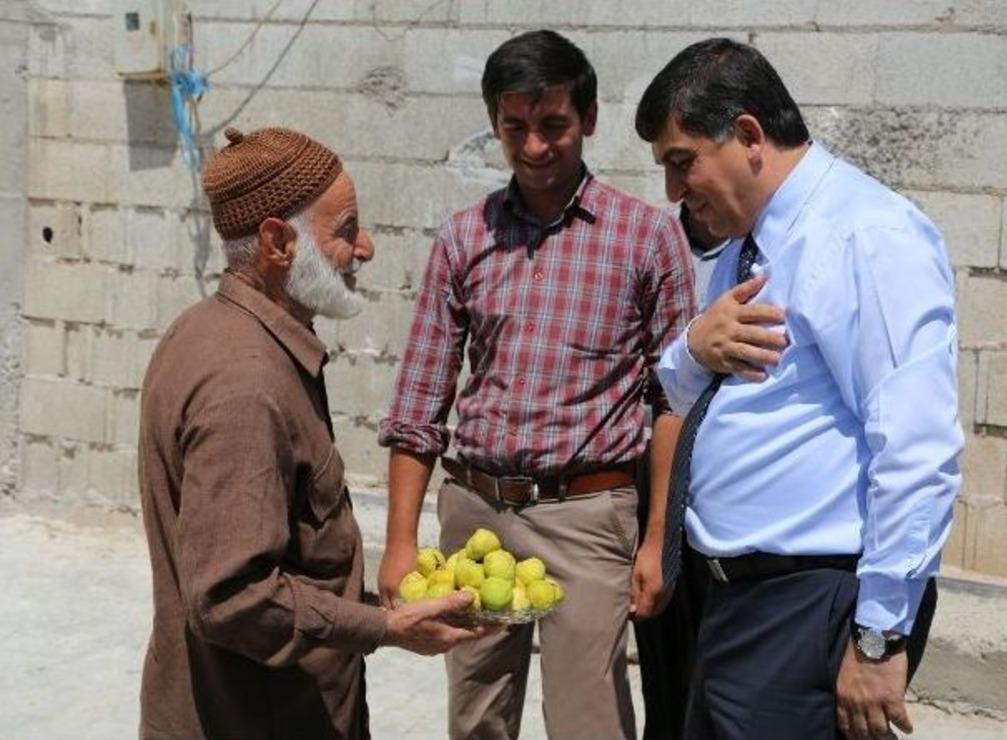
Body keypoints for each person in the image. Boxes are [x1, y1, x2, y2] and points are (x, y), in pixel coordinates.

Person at [635, 39, 964, 739]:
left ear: (748, 136)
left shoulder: (865, 235)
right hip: (736, 603)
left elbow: (917, 447)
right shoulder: (751, 243)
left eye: (680, 162)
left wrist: (878, 636)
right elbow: (700, 395)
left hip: (809, 604)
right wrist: (694, 350)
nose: (672, 191)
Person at [377, 30, 696, 740]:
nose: (534, 146)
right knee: (477, 717)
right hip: (476, 516)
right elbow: (419, 402)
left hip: (589, 516)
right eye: (513, 127)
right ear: (494, 123)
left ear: (588, 117)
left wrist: (656, 542)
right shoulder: (465, 239)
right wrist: (400, 541)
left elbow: (676, 401)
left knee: (589, 721)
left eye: (552, 125)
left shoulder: (645, 239)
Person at [138, 126, 487, 740]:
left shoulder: (210, 330)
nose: (366, 247)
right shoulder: (245, 384)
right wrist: (386, 628)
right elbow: (231, 597)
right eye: (346, 229)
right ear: (278, 241)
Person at [631, 203, 728, 740]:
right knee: (667, 671)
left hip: (732, 492)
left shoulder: (774, 250)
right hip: (664, 474)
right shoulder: (655, 242)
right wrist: (656, 537)